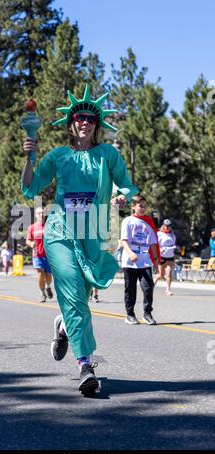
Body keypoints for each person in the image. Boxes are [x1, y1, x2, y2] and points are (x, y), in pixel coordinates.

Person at [21, 84, 138, 394]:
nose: (84, 121)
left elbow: (126, 185)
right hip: (60, 230)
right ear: (71, 124)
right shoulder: (58, 156)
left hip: (94, 231)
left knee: (82, 296)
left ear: (96, 125)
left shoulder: (107, 155)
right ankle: (86, 364)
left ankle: (63, 325)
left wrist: (121, 198)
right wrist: (30, 159)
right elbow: (31, 189)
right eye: (79, 117)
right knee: (72, 290)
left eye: (90, 118)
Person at [121, 195, 159, 326]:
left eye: (144, 206)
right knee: (130, 289)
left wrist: (155, 259)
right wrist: (130, 253)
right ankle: (130, 314)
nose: (142, 208)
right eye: (140, 206)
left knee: (148, 288)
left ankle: (147, 314)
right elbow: (123, 240)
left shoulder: (148, 222)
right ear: (133, 207)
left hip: (145, 261)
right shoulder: (128, 221)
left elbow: (153, 243)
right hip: (130, 261)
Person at [26, 207, 53, 302]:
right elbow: (28, 240)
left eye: (42, 213)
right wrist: (31, 244)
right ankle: (42, 293)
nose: (41, 215)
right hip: (37, 255)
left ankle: (48, 286)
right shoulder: (32, 227)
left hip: (49, 255)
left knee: (49, 276)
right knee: (40, 274)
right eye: (39, 213)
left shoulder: (49, 226)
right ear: (36, 215)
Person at [154, 219, 176, 295]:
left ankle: (168, 289)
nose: (167, 227)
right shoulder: (159, 234)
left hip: (170, 256)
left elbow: (173, 244)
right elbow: (155, 245)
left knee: (169, 273)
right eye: (166, 226)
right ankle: (152, 285)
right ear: (163, 226)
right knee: (161, 275)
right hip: (162, 256)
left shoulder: (172, 235)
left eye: (168, 226)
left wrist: (174, 248)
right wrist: (160, 249)